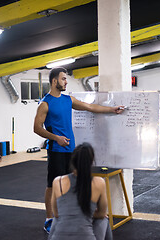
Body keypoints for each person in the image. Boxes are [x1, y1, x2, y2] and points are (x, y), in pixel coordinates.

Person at [33, 67, 124, 233]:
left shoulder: (68, 100)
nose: (66, 82)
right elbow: (36, 128)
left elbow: (90, 107)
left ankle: (68, 214)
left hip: (71, 150)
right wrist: (56, 138)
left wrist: (111, 110)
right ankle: (49, 218)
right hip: (56, 150)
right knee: (52, 185)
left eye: (66, 79)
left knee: (73, 183)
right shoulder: (45, 104)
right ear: (54, 81)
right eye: (63, 79)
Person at [48, 143, 112, 240]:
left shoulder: (58, 181)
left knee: (57, 219)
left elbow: (56, 213)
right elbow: (102, 214)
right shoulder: (99, 182)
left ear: (73, 161)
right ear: (91, 162)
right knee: (104, 219)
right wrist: (87, 212)